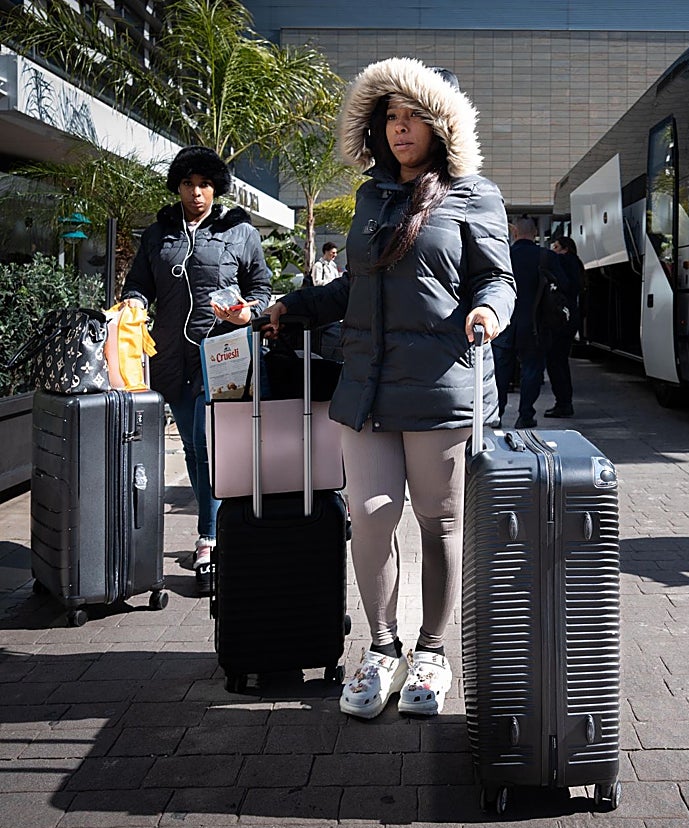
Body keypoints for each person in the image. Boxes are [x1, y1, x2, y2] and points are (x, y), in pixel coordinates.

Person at [263, 57, 515, 718]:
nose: (401, 130)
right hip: (365, 388)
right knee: (371, 517)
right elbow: (358, 288)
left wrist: (488, 311)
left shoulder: (473, 193)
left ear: (441, 126)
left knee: (440, 523)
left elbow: (498, 278)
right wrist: (298, 305)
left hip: (441, 390)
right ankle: (382, 648)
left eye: (414, 118)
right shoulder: (372, 196)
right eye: (391, 118)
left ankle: (433, 652)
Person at [119, 146, 272, 596]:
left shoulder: (239, 232)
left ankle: (211, 536)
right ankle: (216, 528)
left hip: (223, 354)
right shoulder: (158, 234)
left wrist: (251, 311)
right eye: (189, 184)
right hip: (170, 357)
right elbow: (139, 283)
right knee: (191, 446)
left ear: (216, 188)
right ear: (179, 186)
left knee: (214, 447)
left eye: (205, 184)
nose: (197, 192)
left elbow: (261, 285)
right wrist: (135, 301)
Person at [492, 216, 569, 428]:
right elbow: (564, 284)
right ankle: (525, 414)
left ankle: (496, 414)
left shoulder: (503, 256)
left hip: (503, 323)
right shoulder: (546, 256)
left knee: (500, 371)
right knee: (532, 370)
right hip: (536, 323)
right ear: (535, 234)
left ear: (514, 234)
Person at [544, 235, 584, 418]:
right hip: (572, 315)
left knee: (555, 361)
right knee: (560, 360)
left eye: (556, 247)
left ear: (565, 248)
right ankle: (564, 401)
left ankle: (563, 403)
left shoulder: (562, 262)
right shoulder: (577, 263)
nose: (554, 250)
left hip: (561, 317)